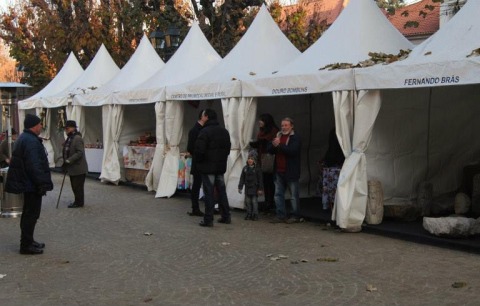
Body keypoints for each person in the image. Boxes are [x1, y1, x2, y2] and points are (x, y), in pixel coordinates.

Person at [6, 114, 53, 255]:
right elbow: (34, 166)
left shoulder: (24, 138)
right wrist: (42, 183)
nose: (41, 127)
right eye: (39, 124)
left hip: (27, 183)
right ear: (34, 125)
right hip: (31, 184)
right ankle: (26, 245)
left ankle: (29, 241)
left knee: (29, 214)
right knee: (31, 214)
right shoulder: (31, 141)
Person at [194, 109, 231, 227]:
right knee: (221, 191)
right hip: (220, 166)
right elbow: (228, 149)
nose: (202, 117)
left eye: (203, 115)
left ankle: (208, 219)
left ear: (206, 117)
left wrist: (199, 163)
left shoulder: (204, 132)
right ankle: (226, 216)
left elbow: (199, 150)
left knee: (209, 192)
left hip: (207, 166)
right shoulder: (224, 131)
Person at [267, 117, 302, 224]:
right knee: (278, 194)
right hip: (279, 170)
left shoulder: (295, 137)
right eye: (282, 125)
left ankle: (295, 216)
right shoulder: (278, 135)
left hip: (291, 170)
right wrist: (273, 145)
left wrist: (280, 145)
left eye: (286, 125)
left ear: (291, 126)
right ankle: (280, 215)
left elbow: (293, 151)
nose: (283, 127)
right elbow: (269, 150)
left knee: (293, 196)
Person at [249, 113, 279, 212]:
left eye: (261, 120)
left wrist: (260, 142)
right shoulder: (262, 131)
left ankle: (271, 202)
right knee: (265, 181)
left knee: (270, 181)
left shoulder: (273, 130)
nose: (259, 122)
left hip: (270, 159)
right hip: (262, 158)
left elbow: (272, 143)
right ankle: (267, 201)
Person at [62, 120, 88, 208]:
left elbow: (80, 152)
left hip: (78, 167)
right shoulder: (70, 138)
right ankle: (78, 201)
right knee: (74, 186)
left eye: (67, 128)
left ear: (73, 128)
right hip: (72, 167)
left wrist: (69, 160)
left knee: (78, 186)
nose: (66, 130)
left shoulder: (77, 138)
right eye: (65, 128)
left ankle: (79, 202)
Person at [186, 109, 208, 217]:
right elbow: (190, 148)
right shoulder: (195, 130)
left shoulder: (203, 129)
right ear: (203, 117)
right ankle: (195, 208)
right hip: (198, 162)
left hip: (201, 162)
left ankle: (200, 207)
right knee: (197, 185)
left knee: (200, 184)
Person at [321, 128, 345, 210]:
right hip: (336, 165)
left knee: (329, 188)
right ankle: (335, 206)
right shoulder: (340, 134)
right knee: (336, 188)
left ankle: (329, 205)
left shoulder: (333, 132)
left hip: (330, 164)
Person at [238, 150, 264, 221]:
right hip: (247, 189)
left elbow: (260, 180)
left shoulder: (257, 169)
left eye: (252, 159)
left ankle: (255, 214)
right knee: (247, 202)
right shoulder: (245, 169)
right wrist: (240, 187)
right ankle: (249, 213)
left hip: (254, 189)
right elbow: (242, 178)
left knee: (254, 202)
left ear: (255, 160)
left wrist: (260, 189)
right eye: (249, 158)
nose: (250, 160)